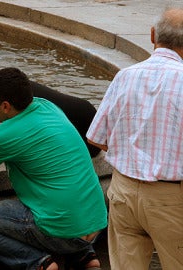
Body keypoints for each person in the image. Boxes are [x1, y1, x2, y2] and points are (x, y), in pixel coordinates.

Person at [0, 67, 108, 270]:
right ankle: (83, 256)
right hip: (95, 223)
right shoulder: (47, 106)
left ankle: (38, 263)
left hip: (60, 232)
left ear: (6, 106)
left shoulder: (4, 136)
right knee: (59, 197)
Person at [86, 7, 183, 270]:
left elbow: (97, 137)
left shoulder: (125, 76)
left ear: (152, 35)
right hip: (171, 197)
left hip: (124, 191)